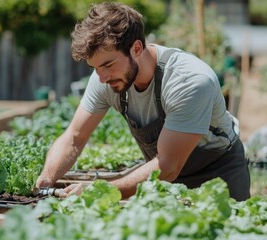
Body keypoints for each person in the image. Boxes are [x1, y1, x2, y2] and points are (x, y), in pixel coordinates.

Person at [36, 2, 250, 201]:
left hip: (217, 177)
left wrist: (103, 191)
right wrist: (47, 178)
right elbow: (74, 136)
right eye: (95, 68)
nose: (101, 77)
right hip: (162, 181)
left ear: (137, 48)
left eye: (108, 65)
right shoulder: (106, 79)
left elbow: (168, 166)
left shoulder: (189, 81)